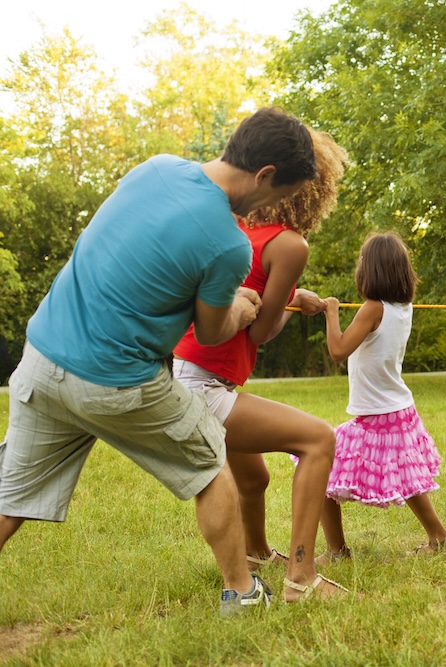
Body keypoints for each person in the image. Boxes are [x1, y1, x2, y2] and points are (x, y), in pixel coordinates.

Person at [0, 107, 317, 616]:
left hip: (42, 358)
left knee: (11, 495)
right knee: (211, 460)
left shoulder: (154, 168)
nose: (272, 207)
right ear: (265, 176)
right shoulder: (229, 245)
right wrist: (237, 307)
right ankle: (241, 593)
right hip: (114, 379)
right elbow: (211, 331)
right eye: (279, 196)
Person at [172, 128, 352, 603]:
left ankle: (254, 555)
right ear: (314, 190)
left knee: (254, 478)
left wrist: (290, 295)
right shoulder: (290, 245)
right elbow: (260, 330)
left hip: (181, 373)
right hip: (205, 386)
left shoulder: (234, 227)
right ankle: (301, 576)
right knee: (319, 438)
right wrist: (285, 302)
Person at [320, 232, 446, 554]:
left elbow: (339, 350)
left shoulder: (373, 308)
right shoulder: (402, 306)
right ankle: (441, 539)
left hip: (380, 414)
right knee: (408, 482)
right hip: (397, 409)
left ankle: (336, 552)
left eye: (361, 261)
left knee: (317, 466)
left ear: (372, 269)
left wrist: (331, 312)